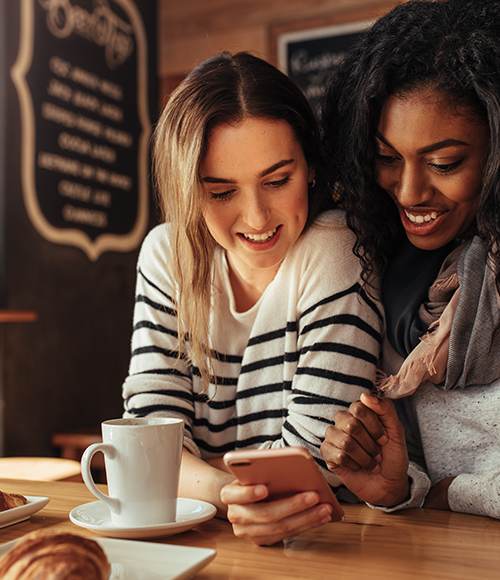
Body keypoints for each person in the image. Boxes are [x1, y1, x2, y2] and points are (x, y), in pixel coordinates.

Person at [121, 51, 383, 544]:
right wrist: (226, 489)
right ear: (188, 192)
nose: (257, 218)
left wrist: (192, 468)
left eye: (277, 180)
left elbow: (315, 469)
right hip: (203, 541)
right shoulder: (166, 254)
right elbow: (142, 454)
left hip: (328, 547)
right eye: (222, 192)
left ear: (310, 165)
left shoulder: (337, 247)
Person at [319, 0, 500, 519]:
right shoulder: (390, 276)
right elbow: (422, 477)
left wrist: (454, 493)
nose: (409, 191)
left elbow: (450, 489)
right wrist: (397, 487)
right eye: (386, 157)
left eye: (444, 163)